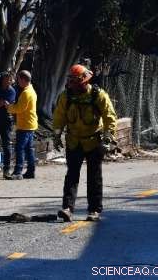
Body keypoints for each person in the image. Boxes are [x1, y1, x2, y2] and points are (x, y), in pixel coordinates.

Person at [53, 64, 117, 222]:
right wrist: (57, 135)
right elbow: (59, 117)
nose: (73, 86)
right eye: (72, 82)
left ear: (84, 81)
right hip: (74, 141)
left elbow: (110, 117)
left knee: (94, 177)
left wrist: (108, 139)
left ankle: (94, 210)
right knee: (72, 175)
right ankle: (67, 208)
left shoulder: (98, 95)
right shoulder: (66, 97)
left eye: (76, 83)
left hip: (94, 142)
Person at [4, 70, 38, 179]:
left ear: (23, 80)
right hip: (29, 124)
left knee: (20, 148)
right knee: (29, 149)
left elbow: (19, 109)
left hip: (25, 125)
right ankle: (31, 171)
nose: (17, 82)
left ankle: (18, 172)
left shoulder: (26, 93)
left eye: (18, 79)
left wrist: (8, 106)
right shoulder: (31, 90)